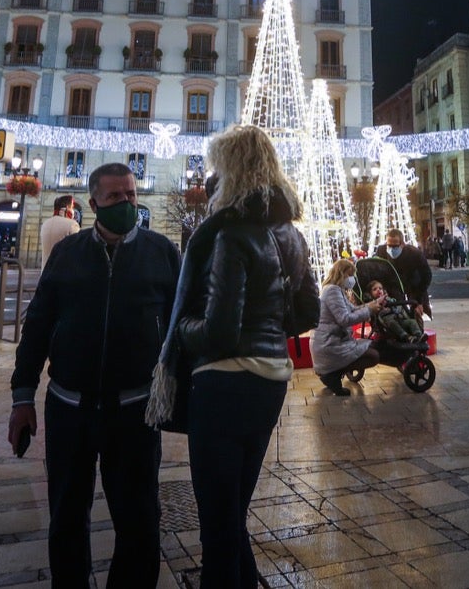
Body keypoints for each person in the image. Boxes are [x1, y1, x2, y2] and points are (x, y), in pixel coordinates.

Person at [157, 124, 318, 589]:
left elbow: (219, 333)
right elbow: (307, 309)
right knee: (231, 514)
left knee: (217, 522)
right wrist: (268, 331)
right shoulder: (291, 234)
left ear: (231, 169)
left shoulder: (229, 234)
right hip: (270, 383)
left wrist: (180, 327)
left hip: (225, 384)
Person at [7, 162, 180, 589]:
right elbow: (39, 325)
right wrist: (22, 397)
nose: (126, 204)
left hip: (135, 411)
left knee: (139, 520)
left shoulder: (162, 253)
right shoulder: (68, 253)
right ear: (93, 204)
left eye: (131, 196)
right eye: (115, 197)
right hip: (69, 408)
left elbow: (180, 328)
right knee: (66, 515)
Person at [310, 258, 382, 395]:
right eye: (350, 275)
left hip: (333, 342)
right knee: (373, 356)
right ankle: (332, 375)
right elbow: (345, 319)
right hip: (331, 345)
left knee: (371, 350)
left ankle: (333, 374)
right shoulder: (332, 291)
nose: (352, 279)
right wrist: (369, 310)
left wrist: (373, 304)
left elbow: (353, 309)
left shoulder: (336, 290)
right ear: (341, 274)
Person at [373, 227, 432, 315]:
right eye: (389, 245)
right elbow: (376, 271)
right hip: (393, 285)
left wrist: (419, 301)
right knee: (395, 313)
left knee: (417, 312)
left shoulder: (414, 253)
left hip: (414, 285)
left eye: (395, 246)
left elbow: (426, 276)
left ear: (402, 244)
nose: (392, 249)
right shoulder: (381, 251)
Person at [39, 194, 79, 261]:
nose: (73, 210)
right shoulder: (72, 224)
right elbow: (77, 250)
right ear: (67, 208)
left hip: (45, 270)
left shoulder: (45, 224)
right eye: (72, 207)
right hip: (64, 270)